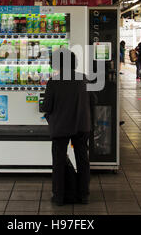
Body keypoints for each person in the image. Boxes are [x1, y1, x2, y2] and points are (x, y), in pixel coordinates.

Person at [42, 49, 94, 206]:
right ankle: (83, 195)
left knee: (58, 161)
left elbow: (46, 106)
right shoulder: (84, 79)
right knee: (82, 160)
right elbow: (93, 101)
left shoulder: (53, 82)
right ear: (74, 62)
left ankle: (59, 196)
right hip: (82, 125)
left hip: (60, 127)